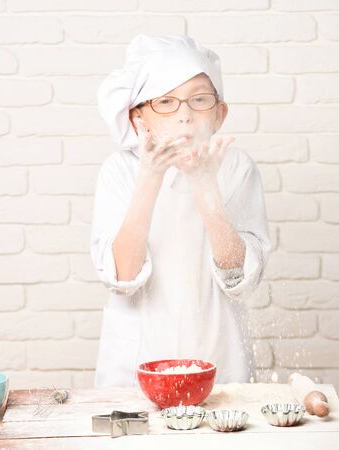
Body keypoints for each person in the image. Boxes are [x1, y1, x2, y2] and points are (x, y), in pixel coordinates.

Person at [90, 34, 271, 388]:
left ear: (220, 115)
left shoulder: (236, 168)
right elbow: (122, 277)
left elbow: (239, 278)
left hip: (220, 354)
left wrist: (205, 186)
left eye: (199, 100)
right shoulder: (119, 171)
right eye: (167, 102)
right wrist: (150, 175)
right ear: (138, 117)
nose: (185, 115)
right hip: (135, 360)